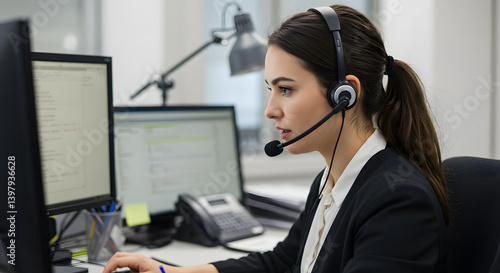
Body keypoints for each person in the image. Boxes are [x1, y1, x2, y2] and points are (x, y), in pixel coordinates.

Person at [103, 4, 448, 273]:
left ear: (345, 93)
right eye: (271, 90)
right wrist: (169, 270)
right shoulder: (330, 181)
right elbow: (279, 263)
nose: (270, 110)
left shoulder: (397, 200)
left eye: (285, 89)